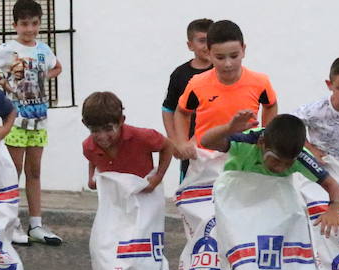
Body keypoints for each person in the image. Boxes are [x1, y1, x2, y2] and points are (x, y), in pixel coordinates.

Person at [0, 0, 63, 246]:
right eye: (24, 24)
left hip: (39, 120)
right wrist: (3, 82)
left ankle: (36, 224)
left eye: (34, 23)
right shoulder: (7, 50)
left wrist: (42, 76)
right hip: (16, 120)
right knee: (13, 172)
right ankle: (11, 222)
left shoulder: (44, 49)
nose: (29, 29)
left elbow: (57, 67)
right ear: (15, 24)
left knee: (34, 171)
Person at [201, 112, 339, 236]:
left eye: (288, 164)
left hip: (272, 205)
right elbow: (206, 142)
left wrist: (334, 208)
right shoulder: (248, 141)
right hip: (235, 200)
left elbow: (334, 187)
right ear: (262, 143)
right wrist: (228, 129)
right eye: (275, 160)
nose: (281, 168)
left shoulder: (301, 157)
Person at [174, 19, 278, 156]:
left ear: (243, 50)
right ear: (209, 54)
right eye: (220, 58)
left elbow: (270, 105)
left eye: (234, 56)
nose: (228, 64)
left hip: (244, 154)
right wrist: (182, 142)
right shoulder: (197, 84)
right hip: (205, 156)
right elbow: (182, 112)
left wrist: (266, 136)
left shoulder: (260, 82)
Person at [81, 91, 174, 192]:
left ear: (121, 121)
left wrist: (158, 177)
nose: (102, 136)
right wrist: (91, 178)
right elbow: (93, 158)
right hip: (115, 198)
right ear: (85, 125)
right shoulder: (88, 146)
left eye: (108, 129)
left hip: (145, 196)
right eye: (95, 130)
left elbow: (168, 146)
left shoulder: (141, 137)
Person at [161, 18, 213, 177]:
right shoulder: (180, 75)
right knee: (190, 193)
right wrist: (175, 142)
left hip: (217, 146)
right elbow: (168, 109)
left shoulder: (221, 73)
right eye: (202, 41)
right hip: (190, 152)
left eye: (211, 40)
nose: (207, 46)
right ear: (190, 45)